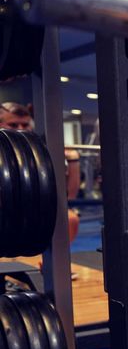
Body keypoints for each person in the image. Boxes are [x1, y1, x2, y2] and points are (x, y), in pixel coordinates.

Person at [0, 102, 82, 251]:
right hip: (7, 209)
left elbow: (70, 195)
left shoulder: (37, 155)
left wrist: (73, 160)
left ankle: (46, 262)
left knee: (70, 219)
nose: (20, 129)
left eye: (25, 125)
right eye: (13, 125)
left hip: (27, 209)